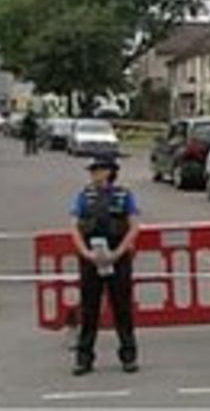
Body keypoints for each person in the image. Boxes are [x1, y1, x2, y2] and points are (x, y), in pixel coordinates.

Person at [68, 153, 141, 376]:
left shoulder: (124, 195)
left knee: (122, 309)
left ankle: (128, 356)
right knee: (89, 310)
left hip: (118, 258)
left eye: (96, 170)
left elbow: (134, 226)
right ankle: (84, 358)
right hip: (91, 259)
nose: (93, 174)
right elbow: (74, 227)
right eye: (91, 170)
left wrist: (118, 252)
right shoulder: (83, 196)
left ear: (108, 171)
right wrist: (86, 253)